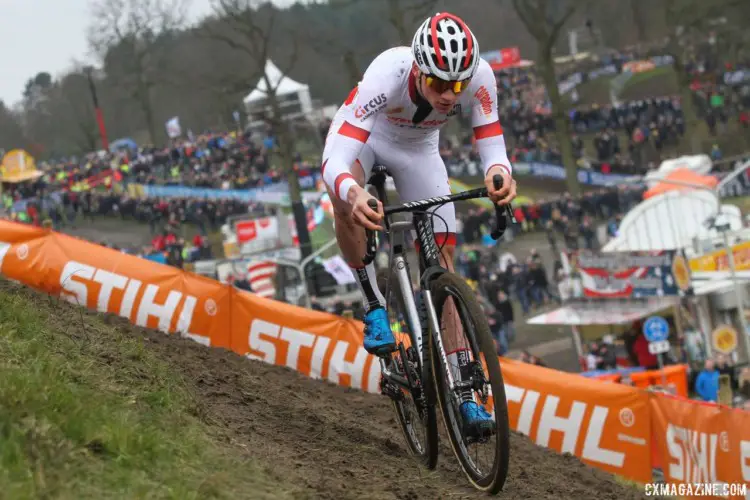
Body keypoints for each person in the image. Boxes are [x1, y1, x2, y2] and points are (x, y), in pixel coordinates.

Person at [321, 12, 516, 434]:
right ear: (419, 69)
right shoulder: (388, 73)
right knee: (342, 195)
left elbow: (491, 140)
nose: (450, 95)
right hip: (365, 142)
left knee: (443, 264)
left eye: (458, 85)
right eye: (440, 84)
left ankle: (464, 390)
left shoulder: (479, 76)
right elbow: (335, 160)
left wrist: (498, 174)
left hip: (419, 151)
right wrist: (353, 193)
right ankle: (373, 304)